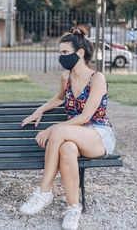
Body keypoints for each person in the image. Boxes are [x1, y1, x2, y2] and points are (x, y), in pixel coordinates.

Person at [19, 28, 116, 230]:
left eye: (65, 53)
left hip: (98, 134)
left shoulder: (97, 78)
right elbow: (60, 98)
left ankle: (44, 191)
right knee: (67, 149)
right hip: (73, 135)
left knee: (60, 132)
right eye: (60, 53)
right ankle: (73, 209)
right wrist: (40, 110)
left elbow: (86, 116)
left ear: (79, 53)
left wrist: (53, 129)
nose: (61, 57)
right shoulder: (67, 76)